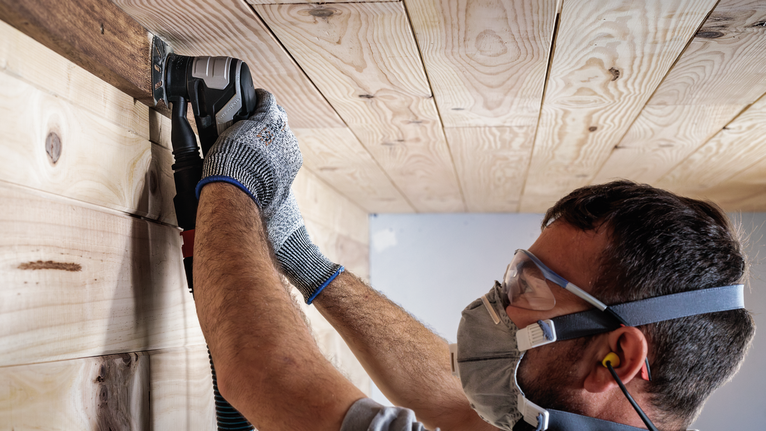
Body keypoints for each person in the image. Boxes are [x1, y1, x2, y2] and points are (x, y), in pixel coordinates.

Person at [191, 90, 755, 431]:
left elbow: (263, 378)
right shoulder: (565, 416)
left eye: (535, 289)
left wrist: (232, 180)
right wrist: (297, 254)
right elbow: (458, 407)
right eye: (517, 274)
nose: (501, 303)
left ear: (618, 358)